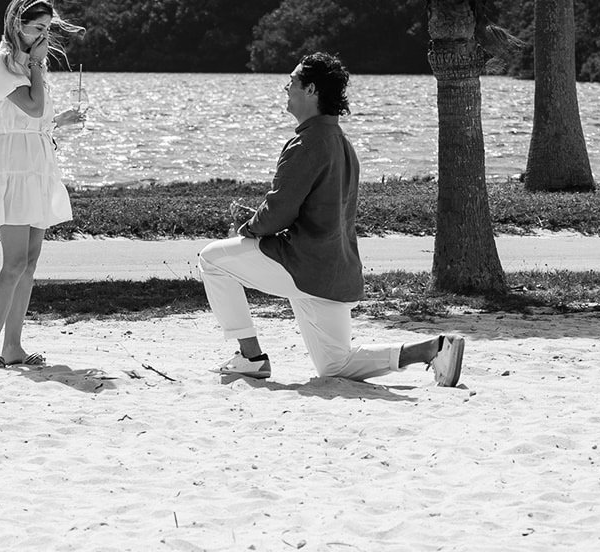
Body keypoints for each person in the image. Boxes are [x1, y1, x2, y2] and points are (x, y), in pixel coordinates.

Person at [198, 52, 465, 386]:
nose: (286, 86)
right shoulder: (342, 142)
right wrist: (255, 225)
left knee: (211, 259)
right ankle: (431, 349)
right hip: (336, 273)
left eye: (292, 81)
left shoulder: (307, 143)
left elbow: (278, 213)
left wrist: (246, 227)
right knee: (335, 367)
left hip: (302, 267)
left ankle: (251, 357)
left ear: (310, 89)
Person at [0, 0, 86, 369]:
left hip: (38, 160)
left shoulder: (28, 64)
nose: (42, 36)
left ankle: (14, 346)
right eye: (35, 28)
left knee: (31, 260)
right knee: (13, 261)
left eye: (46, 28)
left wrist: (60, 122)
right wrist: (38, 65)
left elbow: (35, 118)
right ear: (16, 24)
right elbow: (31, 105)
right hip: (12, 163)